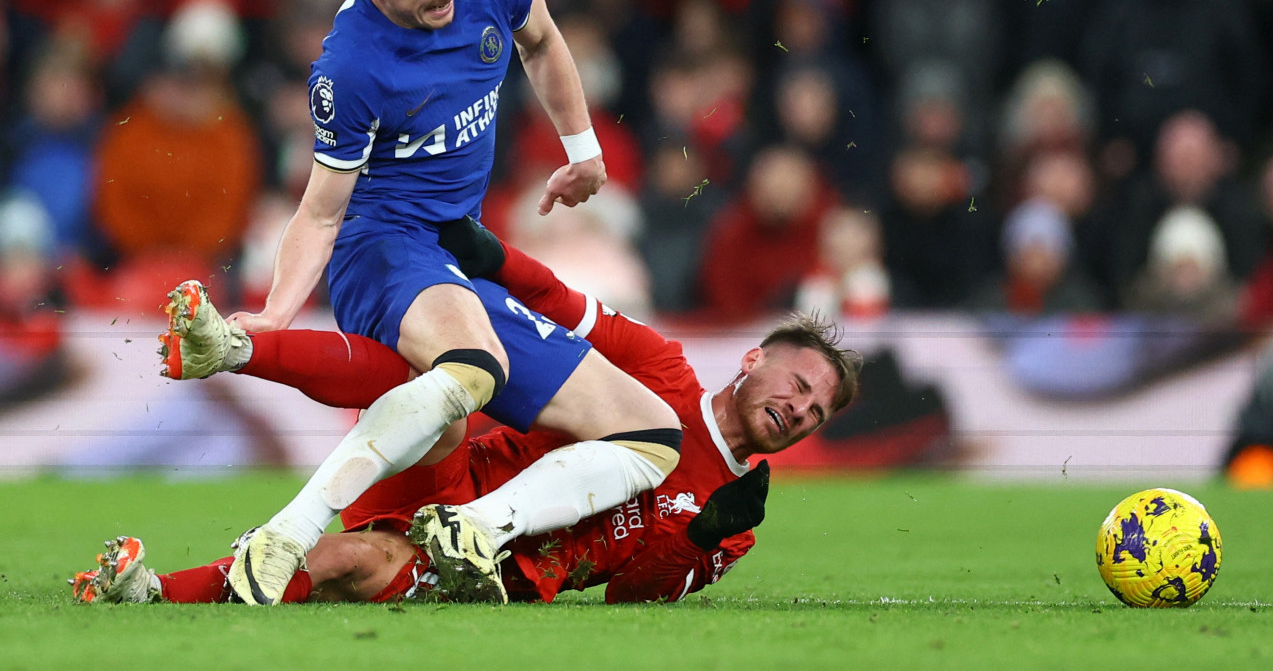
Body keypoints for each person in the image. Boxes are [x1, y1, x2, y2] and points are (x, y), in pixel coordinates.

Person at [204, 0, 681, 606]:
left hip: (457, 253)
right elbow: (322, 210)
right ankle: (287, 533)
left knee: (650, 431)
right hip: (382, 247)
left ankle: (473, 530)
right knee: (474, 367)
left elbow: (545, 42)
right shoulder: (350, 66)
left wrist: (581, 148)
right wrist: (274, 313)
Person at [74, 221, 860, 605]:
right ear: (754, 357)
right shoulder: (659, 369)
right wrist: (488, 255)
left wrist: (700, 532)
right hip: (454, 468)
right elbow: (565, 307)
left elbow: (633, 599)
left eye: (816, 411)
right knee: (445, 376)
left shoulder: (738, 521)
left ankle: (154, 591)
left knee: (354, 561)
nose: (799, 408)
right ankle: (238, 346)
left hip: (503, 571)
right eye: (798, 383)